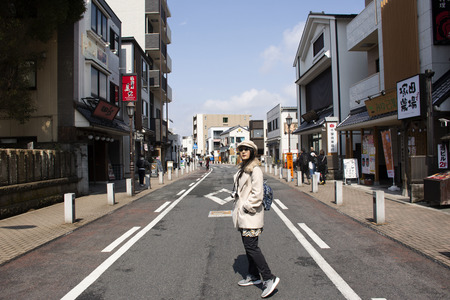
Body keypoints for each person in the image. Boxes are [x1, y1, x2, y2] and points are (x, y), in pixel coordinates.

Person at [232, 140, 280, 298]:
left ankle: (268, 278)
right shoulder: (243, 169)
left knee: (252, 247)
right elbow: (242, 189)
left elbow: (257, 193)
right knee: (249, 247)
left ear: (252, 152)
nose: (243, 152)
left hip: (250, 214)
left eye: (247, 149)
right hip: (243, 215)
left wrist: (247, 206)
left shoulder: (255, 169)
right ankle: (253, 276)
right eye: (241, 150)